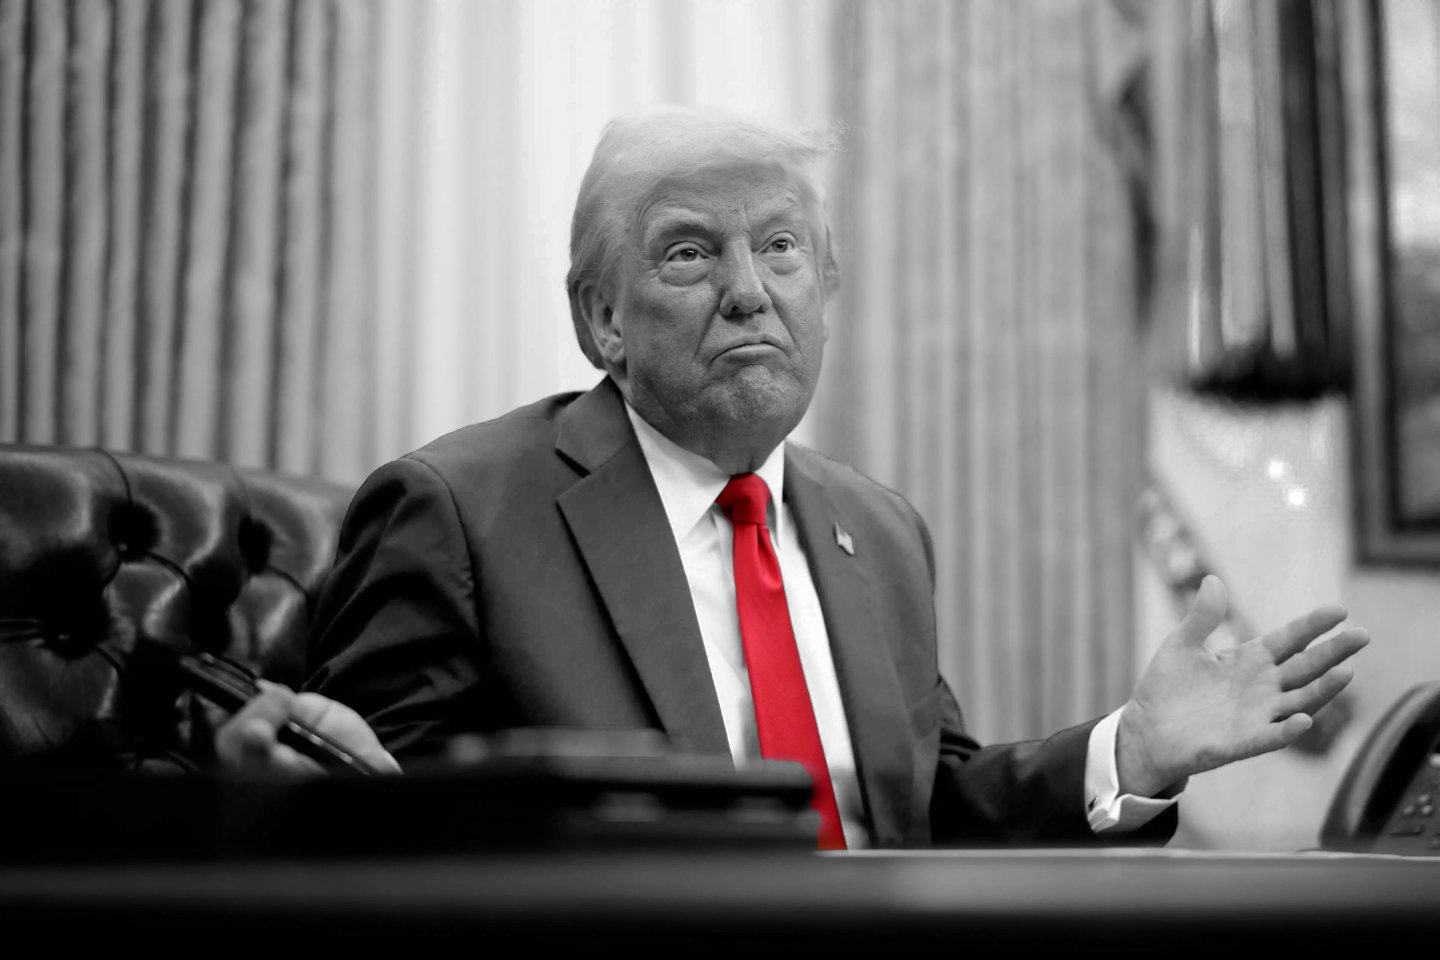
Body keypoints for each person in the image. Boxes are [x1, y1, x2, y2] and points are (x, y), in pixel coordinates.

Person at [223, 107, 1368, 848]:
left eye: (780, 248)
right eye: (689, 252)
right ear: (601, 318)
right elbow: (364, 836)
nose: (748, 291)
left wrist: (1133, 751)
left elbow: (928, 811)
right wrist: (277, 805)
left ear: (826, 287)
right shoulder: (460, 511)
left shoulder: (881, 529)